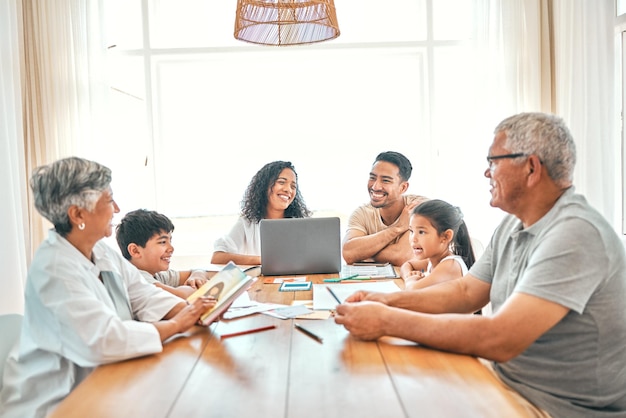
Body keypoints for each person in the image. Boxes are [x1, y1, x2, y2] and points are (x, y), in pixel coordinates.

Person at [334, 113, 626, 417]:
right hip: (508, 382)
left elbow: (500, 338)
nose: (487, 173)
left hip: (557, 407)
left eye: (494, 162)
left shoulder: (575, 233)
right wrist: (386, 300)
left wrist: (386, 320)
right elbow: (465, 293)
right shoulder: (513, 223)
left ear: (531, 168)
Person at [0, 157, 216, 418]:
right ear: (78, 214)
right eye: (109, 199)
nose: (116, 208)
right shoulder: (53, 269)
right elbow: (105, 340)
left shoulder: (100, 251)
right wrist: (177, 324)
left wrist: (197, 312)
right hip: (55, 401)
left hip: (106, 377)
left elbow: (144, 295)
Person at [210, 160, 312, 265]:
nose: (288, 190)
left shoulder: (302, 224)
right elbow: (218, 257)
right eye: (281, 182)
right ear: (265, 186)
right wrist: (263, 260)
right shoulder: (248, 223)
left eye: (293, 186)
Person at [342, 151, 428, 266]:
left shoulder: (419, 208)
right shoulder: (362, 213)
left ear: (403, 187)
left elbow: (401, 256)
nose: (375, 186)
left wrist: (363, 254)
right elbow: (348, 253)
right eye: (372, 178)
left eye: (385, 180)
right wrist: (397, 228)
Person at [115, 209, 208, 299]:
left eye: (170, 241)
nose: (171, 249)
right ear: (135, 251)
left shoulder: (156, 274)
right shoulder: (137, 279)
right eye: (163, 242)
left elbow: (195, 271)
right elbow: (182, 296)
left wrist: (198, 275)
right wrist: (198, 285)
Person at [399, 199, 475, 290]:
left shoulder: (450, 266)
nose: (413, 239)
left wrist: (410, 281)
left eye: (421, 232)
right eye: (411, 231)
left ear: (446, 236)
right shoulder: (434, 260)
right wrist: (409, 276)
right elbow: (407, 265)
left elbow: (412, 290)